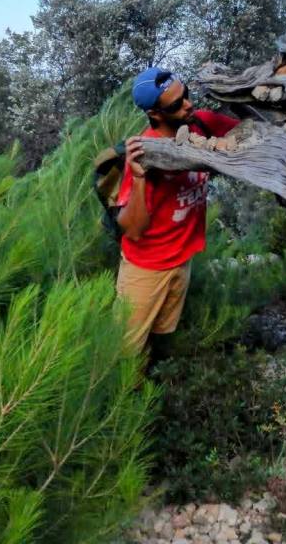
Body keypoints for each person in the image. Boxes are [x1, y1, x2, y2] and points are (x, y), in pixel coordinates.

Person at [115, 66, 239, 360]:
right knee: (125, 352)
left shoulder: (201, 125)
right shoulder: (146, 152)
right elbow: (132, 229)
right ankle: (124, 403)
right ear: (155, 113)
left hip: (182, 260)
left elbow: (250, 130)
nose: (188, 104)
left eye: (186, 94)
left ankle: (156, 389)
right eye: (176, 104)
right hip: (145, 268)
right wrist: (141, 178)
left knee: (162, 339)